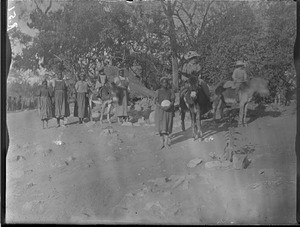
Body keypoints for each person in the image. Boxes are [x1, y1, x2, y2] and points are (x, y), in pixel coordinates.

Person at [155, 77, 175, 149]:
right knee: (161, 126)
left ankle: (166, 143)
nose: (165, 84)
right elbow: (156, 101)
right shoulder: (158, 91)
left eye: (166, 82)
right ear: (161, 83)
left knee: (167, 126)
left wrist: (169, 106)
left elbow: (172, 100)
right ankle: (161, 143)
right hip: (160, 111)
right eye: (163, 82)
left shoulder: (171, 91)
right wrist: (161, 107)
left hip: (168, 111)